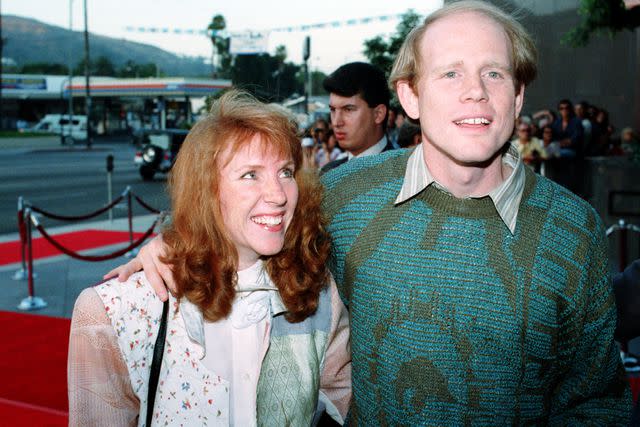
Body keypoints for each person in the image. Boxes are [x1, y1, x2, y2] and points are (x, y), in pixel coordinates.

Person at [109, 1, 631, 424]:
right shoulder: (345, 195)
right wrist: (170, 241)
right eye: (450, 73)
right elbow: (248, 226)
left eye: (494, 73)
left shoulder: (573, 228)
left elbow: (595, 400)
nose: (475, 90)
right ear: (410, 96)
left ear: (518, 97)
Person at [68, 90, 351, 426]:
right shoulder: (115, 313)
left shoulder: (318, 293)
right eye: (251, 174)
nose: (278, 195)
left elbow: (340, 405)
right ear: (206, 189)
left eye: (286, 172)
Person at [320, 62, 395, 173]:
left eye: (348, 109)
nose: (336, 122)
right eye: (333, 110)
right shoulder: (327, 175)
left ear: (378, 114)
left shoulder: (406, 173)